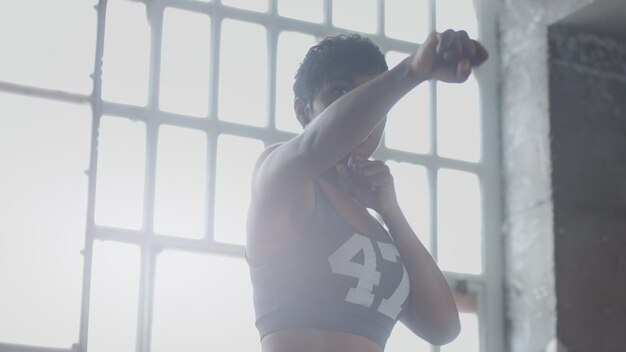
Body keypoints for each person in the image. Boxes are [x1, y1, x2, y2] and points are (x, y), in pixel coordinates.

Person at [246, 30, 488, 352]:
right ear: (303, 111)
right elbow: (312, 147)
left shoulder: (376, 220)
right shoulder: (281, 179)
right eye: (340, 91)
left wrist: (391, 211)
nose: (368, 112)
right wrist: (412, 71)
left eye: (370, 95)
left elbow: (443, 328)